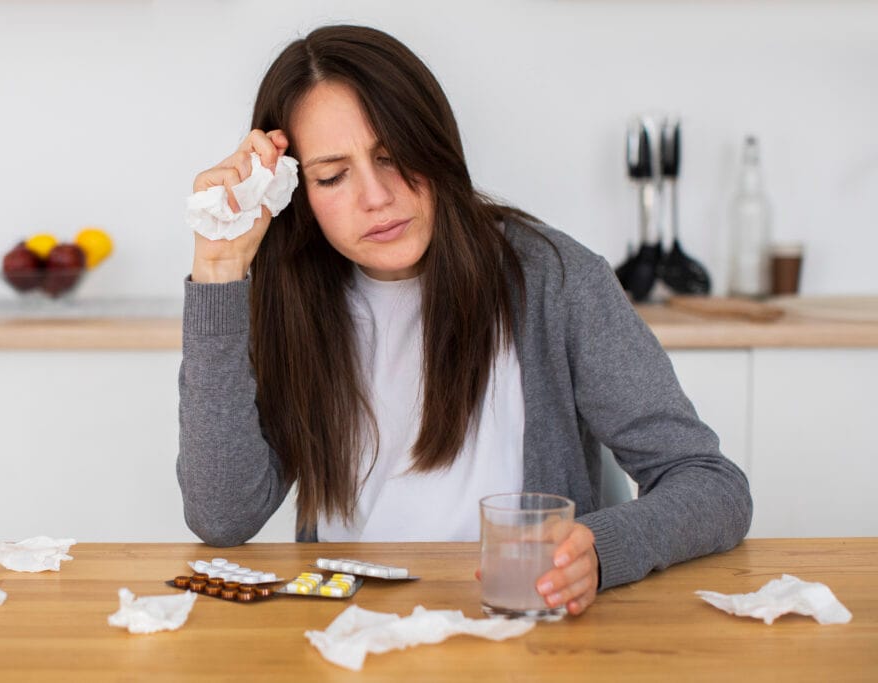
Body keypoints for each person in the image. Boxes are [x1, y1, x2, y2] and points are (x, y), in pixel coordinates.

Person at [177, 25, 752, 616]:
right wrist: (219, 267)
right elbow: (222, 516)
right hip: (347, 631)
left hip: (522, 625)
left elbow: (710, 483)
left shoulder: (556, 279)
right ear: (294, 188)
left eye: (393, 156)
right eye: (333, 175)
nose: (376, 197)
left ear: (437, 147)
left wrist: (603, 550)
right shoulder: (285, 296)